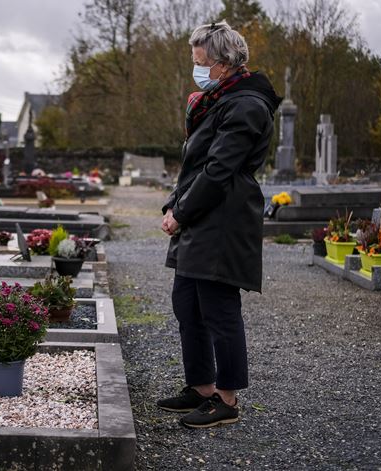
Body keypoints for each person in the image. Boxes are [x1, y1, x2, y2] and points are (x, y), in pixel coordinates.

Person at [157, 21, 281, 428]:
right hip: (203, 215)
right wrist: (174, 203)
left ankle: (226, 400)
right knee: (187, 305)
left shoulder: (246, 104)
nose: (197, 69)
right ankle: (201, 387)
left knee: (219, 310)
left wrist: (182, 212)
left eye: (201, 63)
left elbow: (218, 169)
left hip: (223, 217)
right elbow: (196, 165)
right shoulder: (220, 99)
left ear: (224, 63)